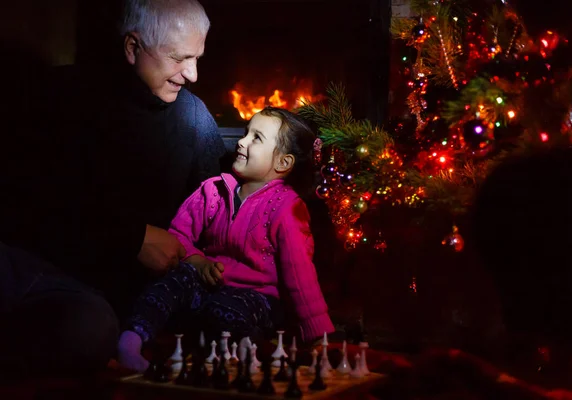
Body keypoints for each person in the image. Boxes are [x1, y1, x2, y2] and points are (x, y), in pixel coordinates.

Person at [0, 0, 225, 378]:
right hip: (30, 264)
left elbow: (212, 223)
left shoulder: (195, 121)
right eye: (179, 58)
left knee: (88, 328)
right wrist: (131, 238)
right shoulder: (60, 95)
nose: (193, 74)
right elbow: (25, 205)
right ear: (132, 48)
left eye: (198, 57)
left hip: (89, 299)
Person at [117, 107, 335, 372]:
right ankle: (132, 340)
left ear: (283, 163)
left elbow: (300, 274)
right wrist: (196, 261)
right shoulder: (213, 191)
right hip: (208, 287)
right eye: (246, 133)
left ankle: (239, 355)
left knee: (226, 311)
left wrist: (315, 333)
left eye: (257, 138)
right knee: (174, 282)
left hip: (258, 300)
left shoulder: (287, 208)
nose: (242, 142)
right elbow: (177, 236)